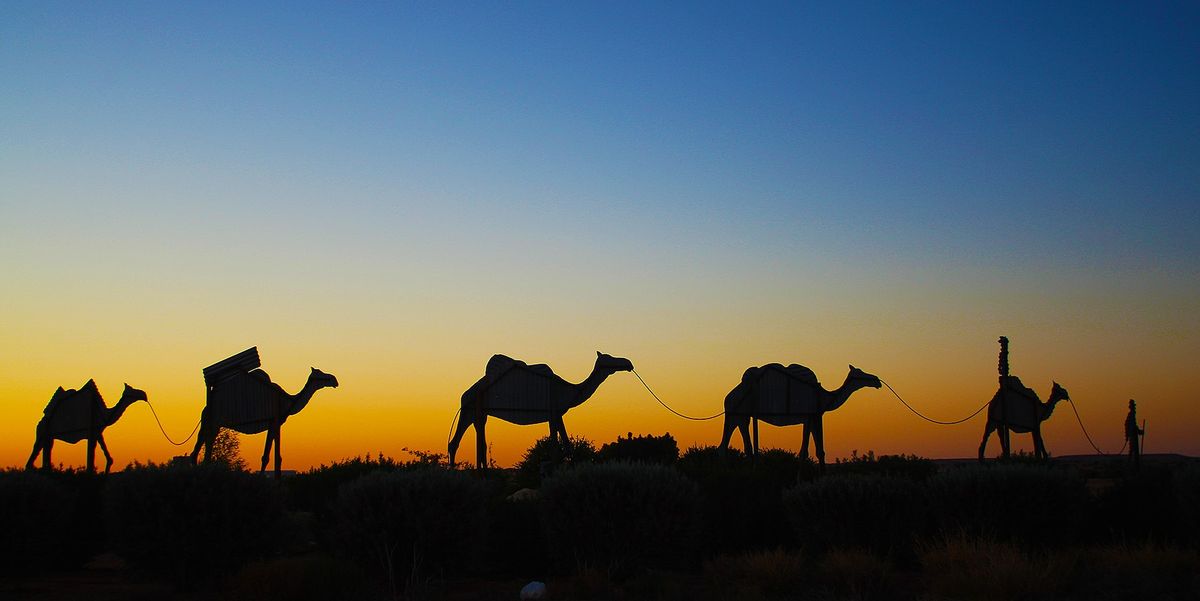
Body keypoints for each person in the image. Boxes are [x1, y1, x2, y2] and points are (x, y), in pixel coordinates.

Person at [1125, 399, 1144, 469]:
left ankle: (1132, 466)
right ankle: (1132, 466)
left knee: (1133, 451)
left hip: (1133, 435)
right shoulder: (1131, 415)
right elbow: (1131, 426)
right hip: (1133, 436)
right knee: (1134, 451)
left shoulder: (1132, 415)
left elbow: (1133, 426)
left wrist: (1139, 431)